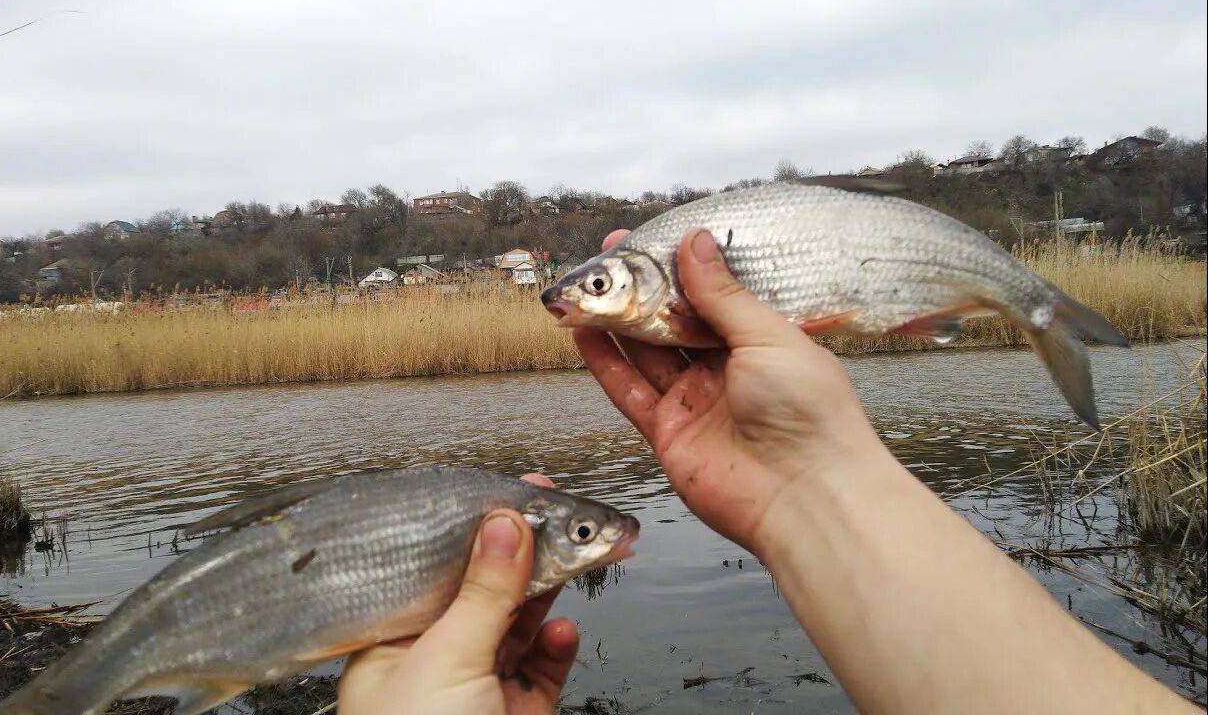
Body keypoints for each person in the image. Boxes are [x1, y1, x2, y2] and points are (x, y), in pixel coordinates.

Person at [338, 228, 1197, 714]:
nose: (579, 302)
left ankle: (1034, 307)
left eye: (596, 284)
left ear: (651, 276)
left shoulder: (683, 275)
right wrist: (811, 485)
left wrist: (809, 477)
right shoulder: (658, 319)